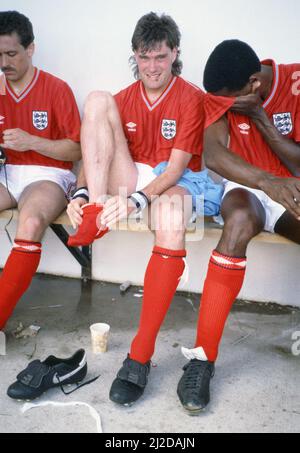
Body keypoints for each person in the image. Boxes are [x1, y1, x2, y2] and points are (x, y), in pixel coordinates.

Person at [67, 12, 222, 408]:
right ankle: (94, 214)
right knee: (97, 99)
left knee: (170, 218)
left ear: (175, 54)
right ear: (135, 55)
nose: (152, 67)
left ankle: (139, 356)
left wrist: (137, 199)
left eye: (161, 57)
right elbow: (94, 151)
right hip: (131, 178)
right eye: (144, 57)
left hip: (176, 179)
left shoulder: (191, 98)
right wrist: (83, 193)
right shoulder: (124, 98)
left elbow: (174, 169)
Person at [178, 39, 300, 415]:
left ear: (254, 84)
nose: (222, 107)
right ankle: (201, 359)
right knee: (239, 222)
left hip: (290, 185)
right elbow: (214, 155)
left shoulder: (294, 83)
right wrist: (265, 182)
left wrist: (260, 117)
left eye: (230, 101)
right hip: (248, 184)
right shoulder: (220, 90)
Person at [0, 11, 81, 330]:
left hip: (49, 175)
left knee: (31, 221)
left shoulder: (56, 88)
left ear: (30, 49)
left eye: (11, 53)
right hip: (8, 174)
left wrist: (32, 141)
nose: (5, 62)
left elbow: (76, 149)